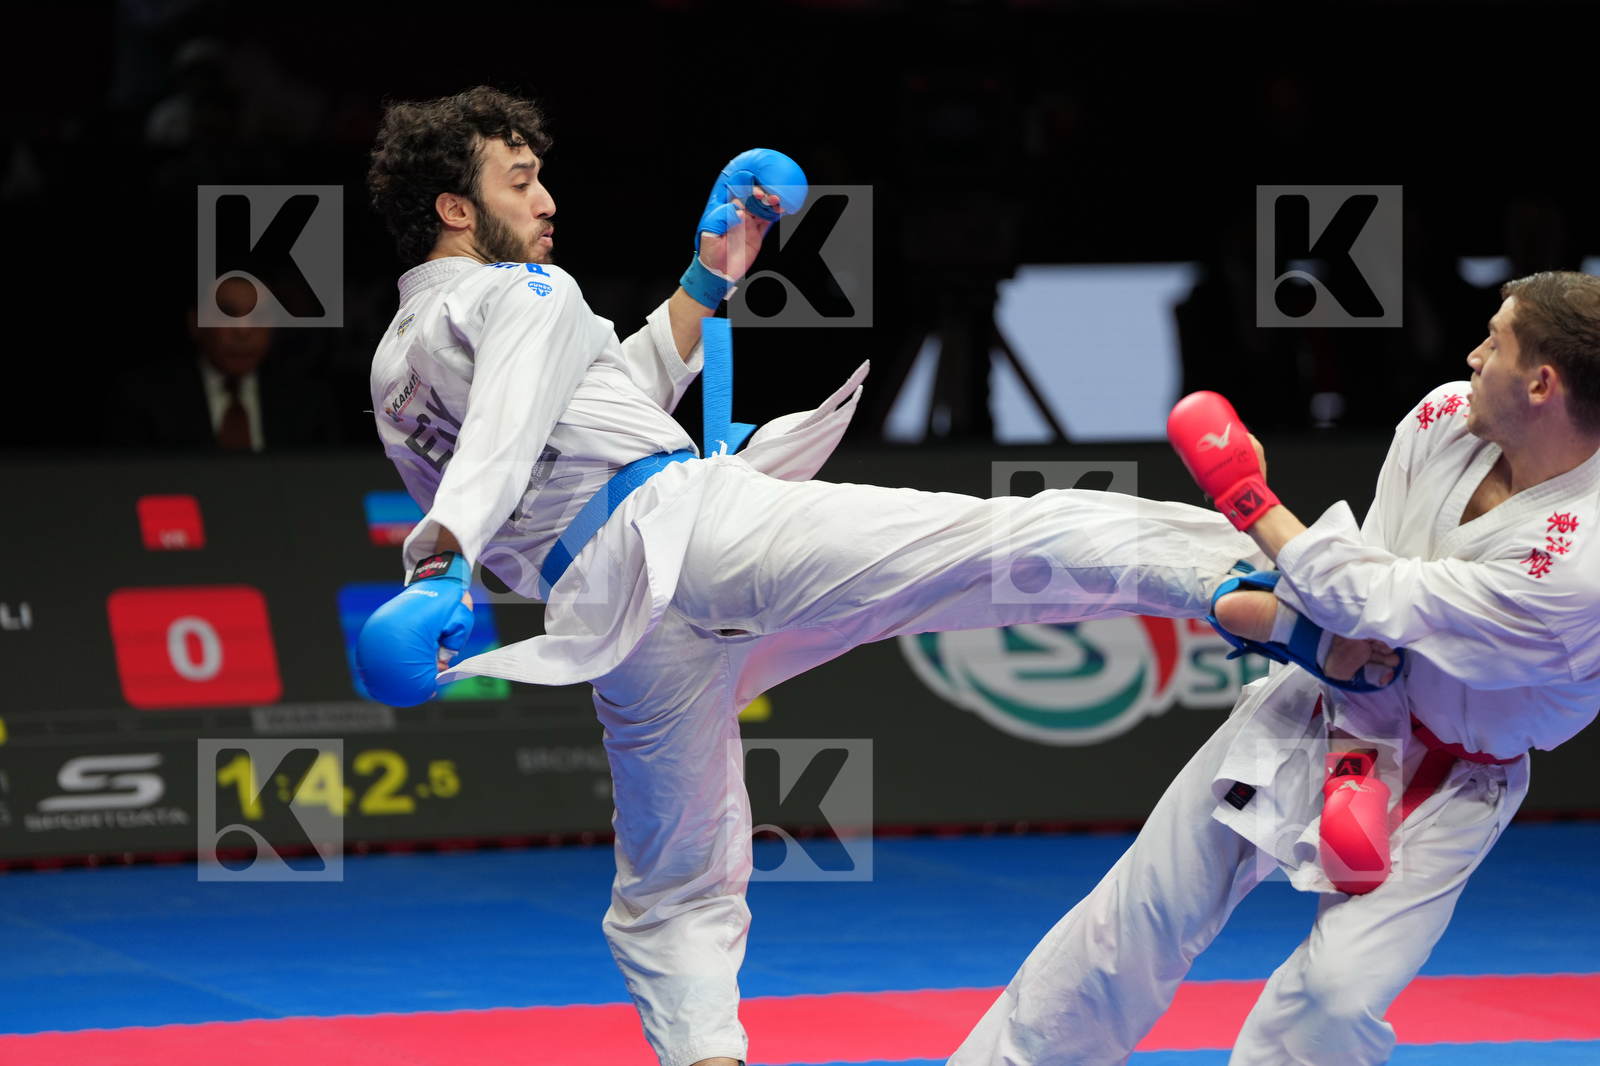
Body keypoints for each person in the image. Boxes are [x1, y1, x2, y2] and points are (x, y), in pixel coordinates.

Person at [354, 87, 1390, 1066]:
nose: (546, 201)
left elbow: (581, 406)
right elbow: (505, 434)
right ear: (455, 207)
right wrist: (442, 554)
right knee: (1003, 546)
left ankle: (706, 1051)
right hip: (703, 532)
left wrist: (712, 274)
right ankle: (1257, 590)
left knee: (669, 883)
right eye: (519, 180)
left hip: (616, 616)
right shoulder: (525, 290)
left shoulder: (395, 368)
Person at [951, 270, 1600, 1066]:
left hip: (1454, 779)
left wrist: (1248, 498)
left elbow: (1384, 596)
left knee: (1330, 1004)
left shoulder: (1580, 559)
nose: (1471, 354)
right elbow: (1370, 565)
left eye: (1493, 341)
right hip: (1325, 701)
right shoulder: (1441, 417)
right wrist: (1316, 640)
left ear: (1542, 382)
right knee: (1133, 918)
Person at [121, 275, 341, 451]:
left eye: (258, 315)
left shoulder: (310, 402)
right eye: (226, 313)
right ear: (195, 322)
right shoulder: (145, 398)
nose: (242, 330)